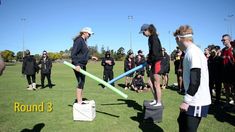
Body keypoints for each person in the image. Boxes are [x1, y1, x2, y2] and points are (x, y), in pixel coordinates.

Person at [174, 25, 211, 132]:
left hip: (197, 100)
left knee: (190, 128)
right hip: (193, 97)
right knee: (181, 121)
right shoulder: (190, 52)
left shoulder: (193, 52)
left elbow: (195, 80)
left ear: (179, 39)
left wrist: (186, 101)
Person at [71, 27, 98, 104]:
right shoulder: (79, 40)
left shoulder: (84, 41)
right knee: (80, 82)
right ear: (84, 33)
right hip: (78, 65)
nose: (90, 35)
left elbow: (83, 54)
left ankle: (80, 100)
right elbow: (73, 54)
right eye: (89, 34)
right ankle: (79, 102)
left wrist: (91, 57)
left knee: (82, 82)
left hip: (82, 65)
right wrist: (77, 64)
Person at [140, 24, 163, 106]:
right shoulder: (150, 38)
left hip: (157, 62)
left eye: (143, 32)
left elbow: (155, 53)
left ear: (148, 30)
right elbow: (151, 52)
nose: (143, 34)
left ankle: (159, 102)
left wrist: (149, 61)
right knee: (149, 82)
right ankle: (155, 99)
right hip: (153, 62)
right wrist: (148, 60)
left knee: (156, 83)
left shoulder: (154, 38)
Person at [221, 34, 235, 105]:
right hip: (225, 73)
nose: (222, 41)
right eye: (222, 40)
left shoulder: (233, 49)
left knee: (233, 90)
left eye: (224, 40)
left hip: (232, 73)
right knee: (226, 88)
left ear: (229, 40)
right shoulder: (223, 50)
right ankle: (227, 102)